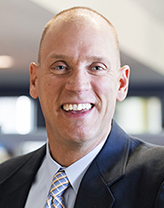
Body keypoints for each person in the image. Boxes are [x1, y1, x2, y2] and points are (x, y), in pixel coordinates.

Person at [0, 6, 164, 208]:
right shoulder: (4, 180)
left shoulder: (158, 180)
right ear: (34, 81)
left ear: (121, 84)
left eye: (96, 67)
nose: (77, 85)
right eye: (60, 66)